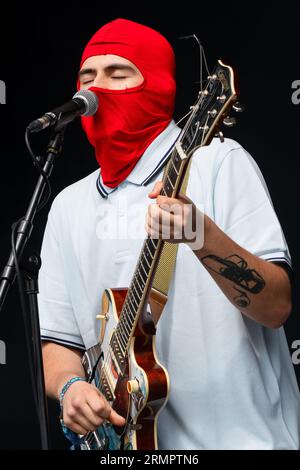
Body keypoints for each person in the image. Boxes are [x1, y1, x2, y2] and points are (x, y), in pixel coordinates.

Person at [39, 18, 300, 450]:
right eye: (87, 76)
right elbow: (58, 341)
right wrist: (70, 389)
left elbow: (276, 306)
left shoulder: (217, 162)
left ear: (158, 84)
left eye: (118, 74)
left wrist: (201, 235)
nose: (96, 89)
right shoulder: (68, 205)